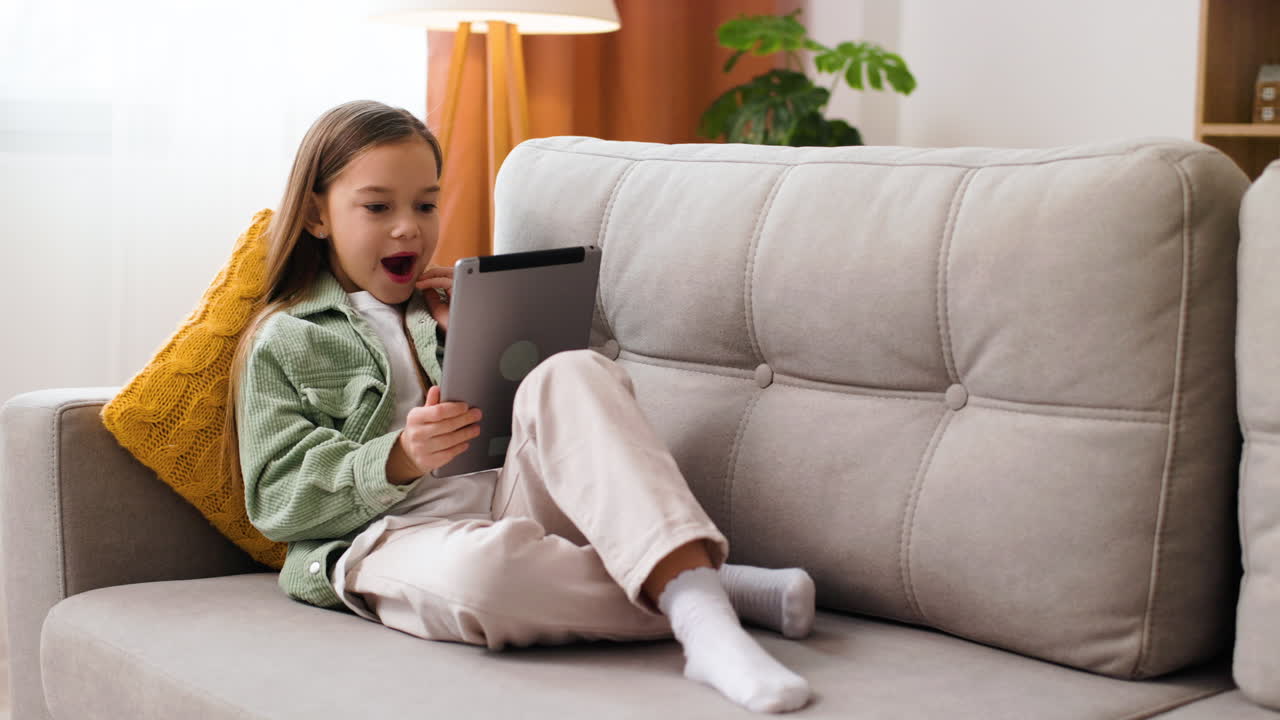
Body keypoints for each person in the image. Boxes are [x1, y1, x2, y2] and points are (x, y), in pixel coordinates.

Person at [223, 99, 815, 713]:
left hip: (509, 503)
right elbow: (276, 500)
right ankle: (702, 591)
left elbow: (557, 426)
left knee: (572, 369)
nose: (408, 229)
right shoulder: (285, 339)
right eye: (378, 207)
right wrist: (398, 457)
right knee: (488, 576)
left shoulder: (451, 307)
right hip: (389, 540)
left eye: (425, 205)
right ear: (316, 214)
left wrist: (481, 336)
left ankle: (706, 626)